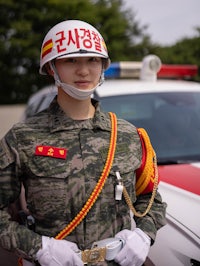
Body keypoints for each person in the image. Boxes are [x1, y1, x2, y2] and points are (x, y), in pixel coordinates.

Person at [0, 20, 167, 266]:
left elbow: (151, 199)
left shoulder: (127, 135)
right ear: (51, 68)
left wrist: (143, 235)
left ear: (102, 66)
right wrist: (39, 247)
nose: (84, 70)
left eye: (92, 60)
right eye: (70, 60)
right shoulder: (22, 138)